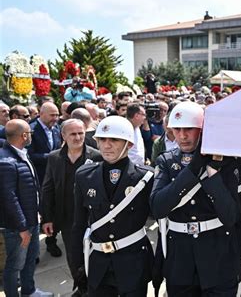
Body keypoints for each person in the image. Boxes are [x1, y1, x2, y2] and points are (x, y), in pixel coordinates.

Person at [150, 101, 241, 296]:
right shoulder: (166, 160)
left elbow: (231, 215)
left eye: (189, 129)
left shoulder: (226, 161)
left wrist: (213, 176)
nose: (182, 136)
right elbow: (158, 207)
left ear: (202, 130)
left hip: (218, 254)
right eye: (178, 129)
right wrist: (192, 170)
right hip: (180, 257)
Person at [70, 116, 155, 296]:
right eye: (102, 140)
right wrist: (78, 264)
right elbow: (79, 224)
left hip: (133, 261)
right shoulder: (84, 175)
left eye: (114, 140)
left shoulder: (145, 177)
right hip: (98, 262)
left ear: (129, 144)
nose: (106, 145)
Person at [41, 119, 102, 296]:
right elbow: (48, 188)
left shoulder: (96, 156)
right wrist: (47, 218)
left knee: (94, 257)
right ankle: (82, 288)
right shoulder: (54, 158)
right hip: (67, 220)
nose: (78, 137)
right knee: (74, 257)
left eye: (81, 133)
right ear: (63, 136)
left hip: (93, 219)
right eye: (73, 134)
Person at [0, 119, 53, 297]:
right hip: (18, 226)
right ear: (24, 136)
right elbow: (9, 198)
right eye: (30, 133)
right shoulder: (6, 161)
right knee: (15, 265)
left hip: (32, 219)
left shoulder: (22, 153)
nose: (31, 135)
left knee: (30, 260)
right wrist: (22, 227)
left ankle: (29, 291)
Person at [27, 102, 63, 257]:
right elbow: (28, 155)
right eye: (52, 115)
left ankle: (51, 241)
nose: (55, 118)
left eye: (57, 115)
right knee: (45, 209)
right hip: (40, 178)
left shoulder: (56, 129)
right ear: (41, 114)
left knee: (55, 209)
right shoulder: (31, 130)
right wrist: (53, 157)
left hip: (56, 177)